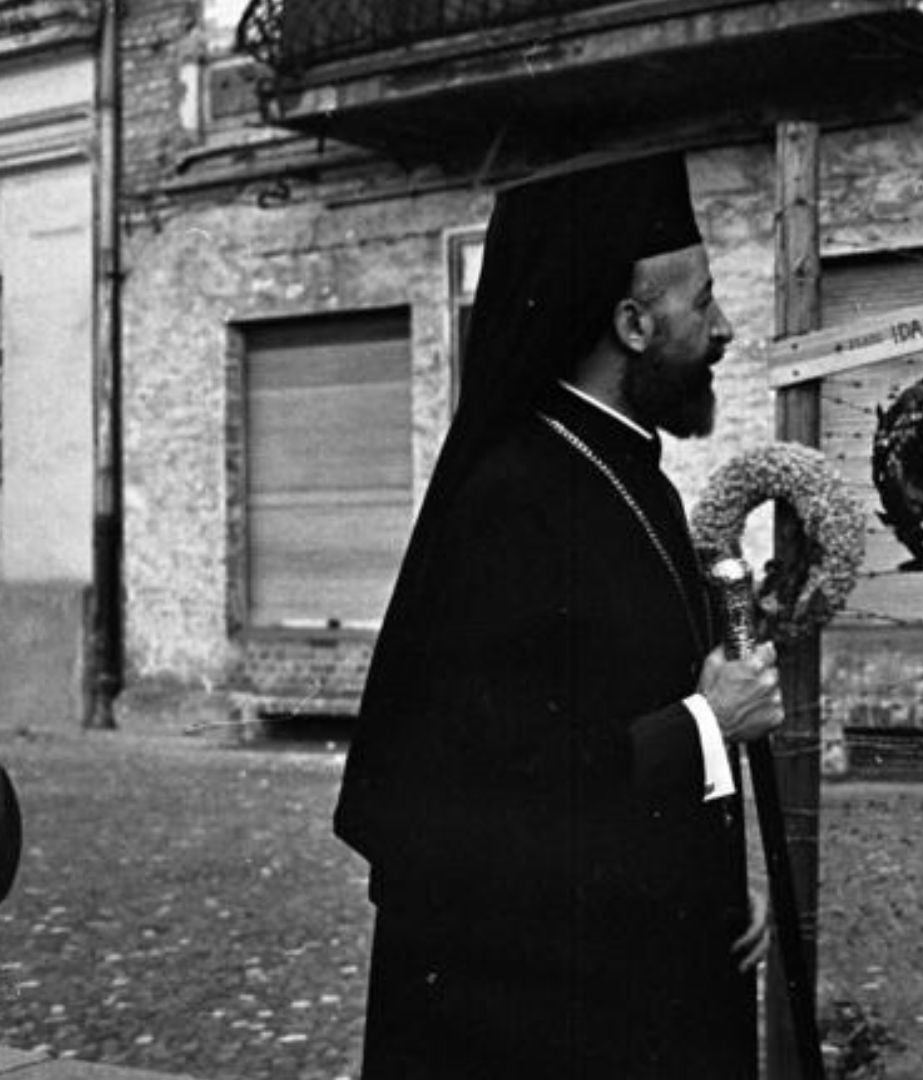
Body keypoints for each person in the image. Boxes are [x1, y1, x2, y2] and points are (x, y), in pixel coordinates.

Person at [333, 152, 784, 1078]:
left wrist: (728, 875)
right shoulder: (507, 501)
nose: (725, 328)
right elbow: (492, 788)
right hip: (540, 1011)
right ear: (630, 322)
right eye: (703, 303)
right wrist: (711, 722)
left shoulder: (637, 479)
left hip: (640, 961)